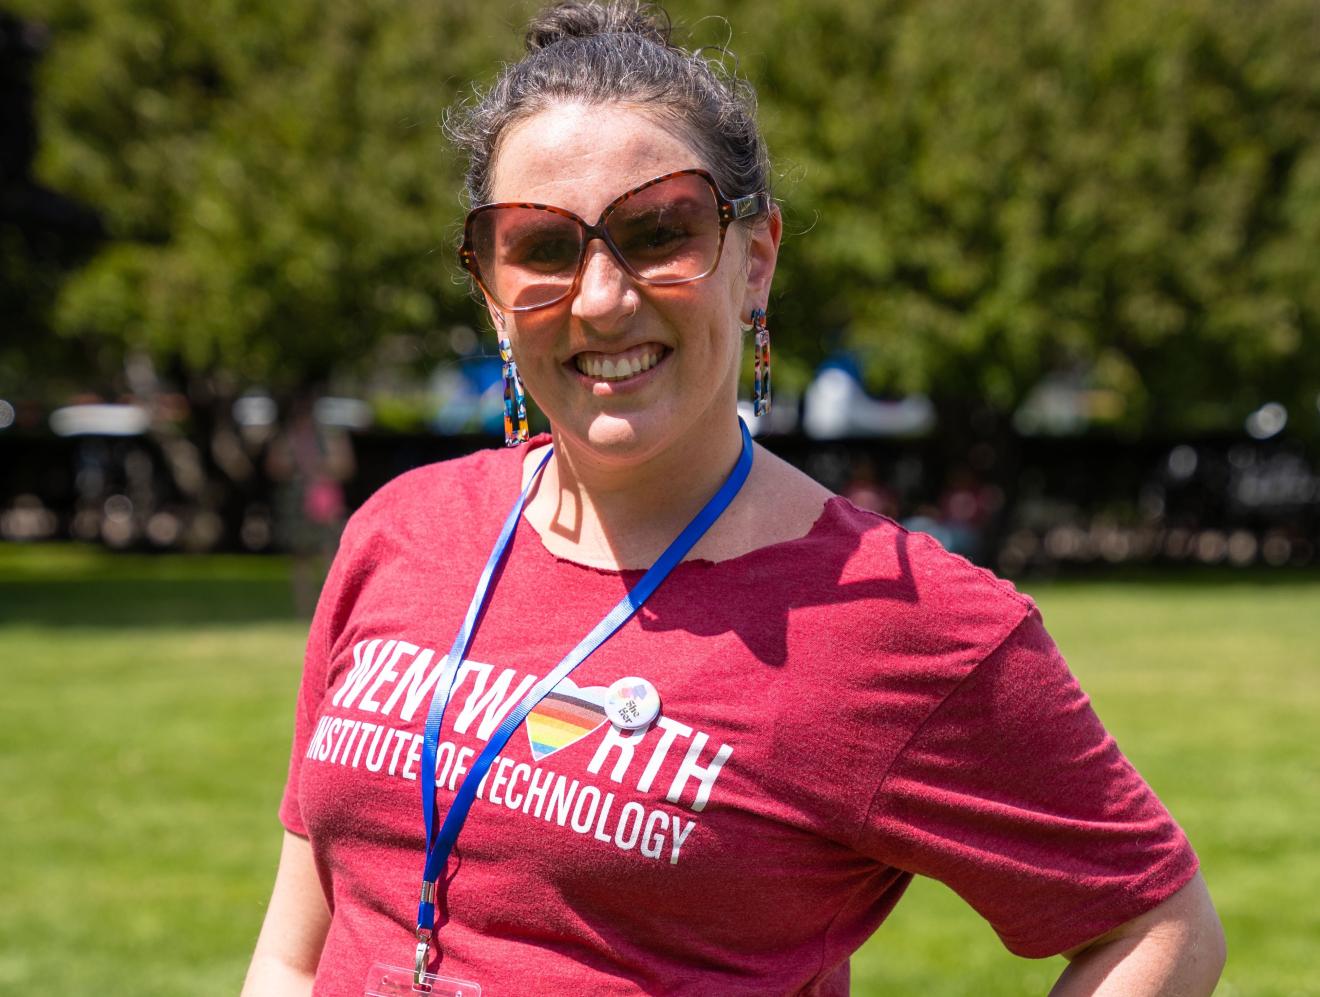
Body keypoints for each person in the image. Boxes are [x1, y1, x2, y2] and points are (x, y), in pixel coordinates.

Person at [243, 3, 1225, 994]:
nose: (600, 296)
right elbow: (293, 949)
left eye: (659, 229)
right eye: (540, 246)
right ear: (492, 292)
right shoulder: (399, 530)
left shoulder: (904, 618)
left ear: (753, 261)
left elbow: (1158, 925)